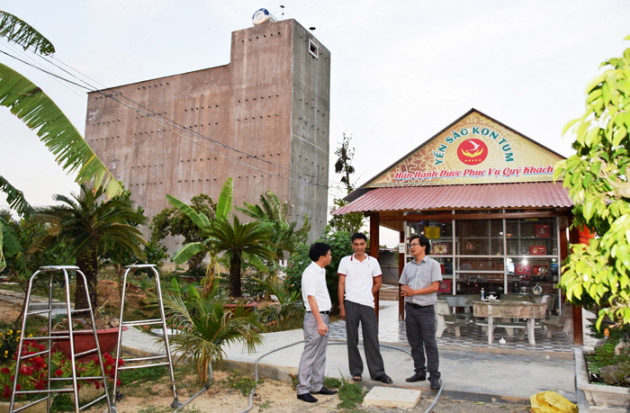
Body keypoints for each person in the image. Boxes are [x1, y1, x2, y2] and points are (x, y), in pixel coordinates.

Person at [337, 233, 392, 384]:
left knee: (372, 338)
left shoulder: (373, 262)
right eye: (356, 244)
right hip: (350, 303)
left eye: (362, 244)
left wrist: (368, 293)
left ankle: (378, 372)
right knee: (352, 339)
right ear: (352, 246)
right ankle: (356, 371)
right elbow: (341, 284)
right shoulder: (345, 261)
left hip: (367, 304)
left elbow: (378, 283)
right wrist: (342, 306)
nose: (359, 247)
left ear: (365, 244)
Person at [296, 242, 338, 403]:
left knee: (320, 353)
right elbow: (311, 298)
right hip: (315, 318)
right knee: (311, 352)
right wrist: (320, 322)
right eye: (329, 254)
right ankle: (303, 389)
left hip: (322, 317)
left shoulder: (320, 271)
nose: (330, 256)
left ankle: (317, 386)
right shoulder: (311, 273)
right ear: (322, 257)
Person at [399, 234, 442, 390]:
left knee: (430, 343)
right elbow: (403, 285)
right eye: (410, 245)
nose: (411, 247)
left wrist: (414, 292)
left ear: (424, 246)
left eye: (414, 244)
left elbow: (434, 287)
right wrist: (406, 291)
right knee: (414, 343)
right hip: (410, 309)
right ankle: (419, 371)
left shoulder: (433, 265)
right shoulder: (407, 266)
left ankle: (434, 376)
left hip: (426, 310)